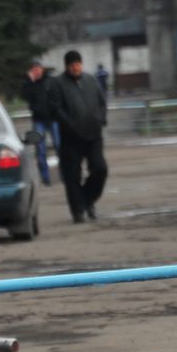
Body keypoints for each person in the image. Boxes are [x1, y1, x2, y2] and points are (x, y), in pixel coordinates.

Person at [52, 49, 108, 223]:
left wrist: (101, 119)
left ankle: (88, 200)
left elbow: (101, 102)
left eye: (78, 64)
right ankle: (78, 211)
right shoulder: (58, 84)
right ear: (67, 66)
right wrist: (69, 125)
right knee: (72, 176)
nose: (76, 67)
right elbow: (55, 108)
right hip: (71, 138)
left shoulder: (90, 80)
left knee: (100, 169)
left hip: (93, 135)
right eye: (73, 65)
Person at [19, 61, 56, 186]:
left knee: (60, 145)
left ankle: (66, 173)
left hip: (53, 119)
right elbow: (26, 96)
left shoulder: (50, 81)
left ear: (42, 69)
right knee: (40, 150)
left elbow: (57, 96)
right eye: (34, 70)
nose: (36, 72)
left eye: (38, 69)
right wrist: (30, 81)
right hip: (38, 120)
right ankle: (45, 177)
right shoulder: (29, 84)